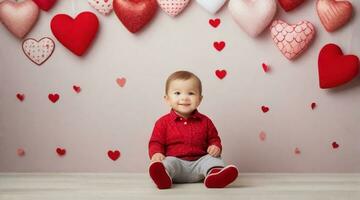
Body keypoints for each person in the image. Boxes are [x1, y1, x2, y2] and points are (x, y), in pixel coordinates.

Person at [148, 70, 238, 189]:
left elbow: (214, 139)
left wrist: (215, 146)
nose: (184, 98)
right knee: (166, 162)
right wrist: (156, 153)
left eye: (191, 93)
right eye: (177, 93)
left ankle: (214, 176)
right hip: (176, 164)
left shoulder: (206, 121)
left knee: (213, 159)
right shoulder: (162, 122)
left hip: (200, 164)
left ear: (200, 99)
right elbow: (156, 142)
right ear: (167, 99)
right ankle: (163, 177)